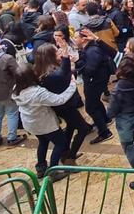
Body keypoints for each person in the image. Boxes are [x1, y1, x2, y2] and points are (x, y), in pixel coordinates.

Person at [12, 63, 77, 179]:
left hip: (30, 123)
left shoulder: (16, 90)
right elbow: (60, 99)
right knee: (60, 142)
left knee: (43, 142)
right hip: (44, 123)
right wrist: (72, 85)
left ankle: (41, 168)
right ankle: (53, 171)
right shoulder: (37, 93)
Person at [36, 37, 92, 166]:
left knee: (71, 126)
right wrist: (66, 56)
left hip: (62, 106)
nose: (59, 53)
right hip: (65, 107)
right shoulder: (50, 75)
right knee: (83, 129)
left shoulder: (42, 70)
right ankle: (70, 157)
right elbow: (63, 76)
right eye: (57, 51)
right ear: (50, 56)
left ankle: (65, 152)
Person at [75, 27, 115, 144]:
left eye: (76, 37)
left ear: (83, 39)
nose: (74, 39)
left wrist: (77, 63)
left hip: (95, 81)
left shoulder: (92, 51)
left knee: (90, 107)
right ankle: (104, 119)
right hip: (95, 81)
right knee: (95, 102)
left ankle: (104, 132)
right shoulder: (87, 49)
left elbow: (89, 70)